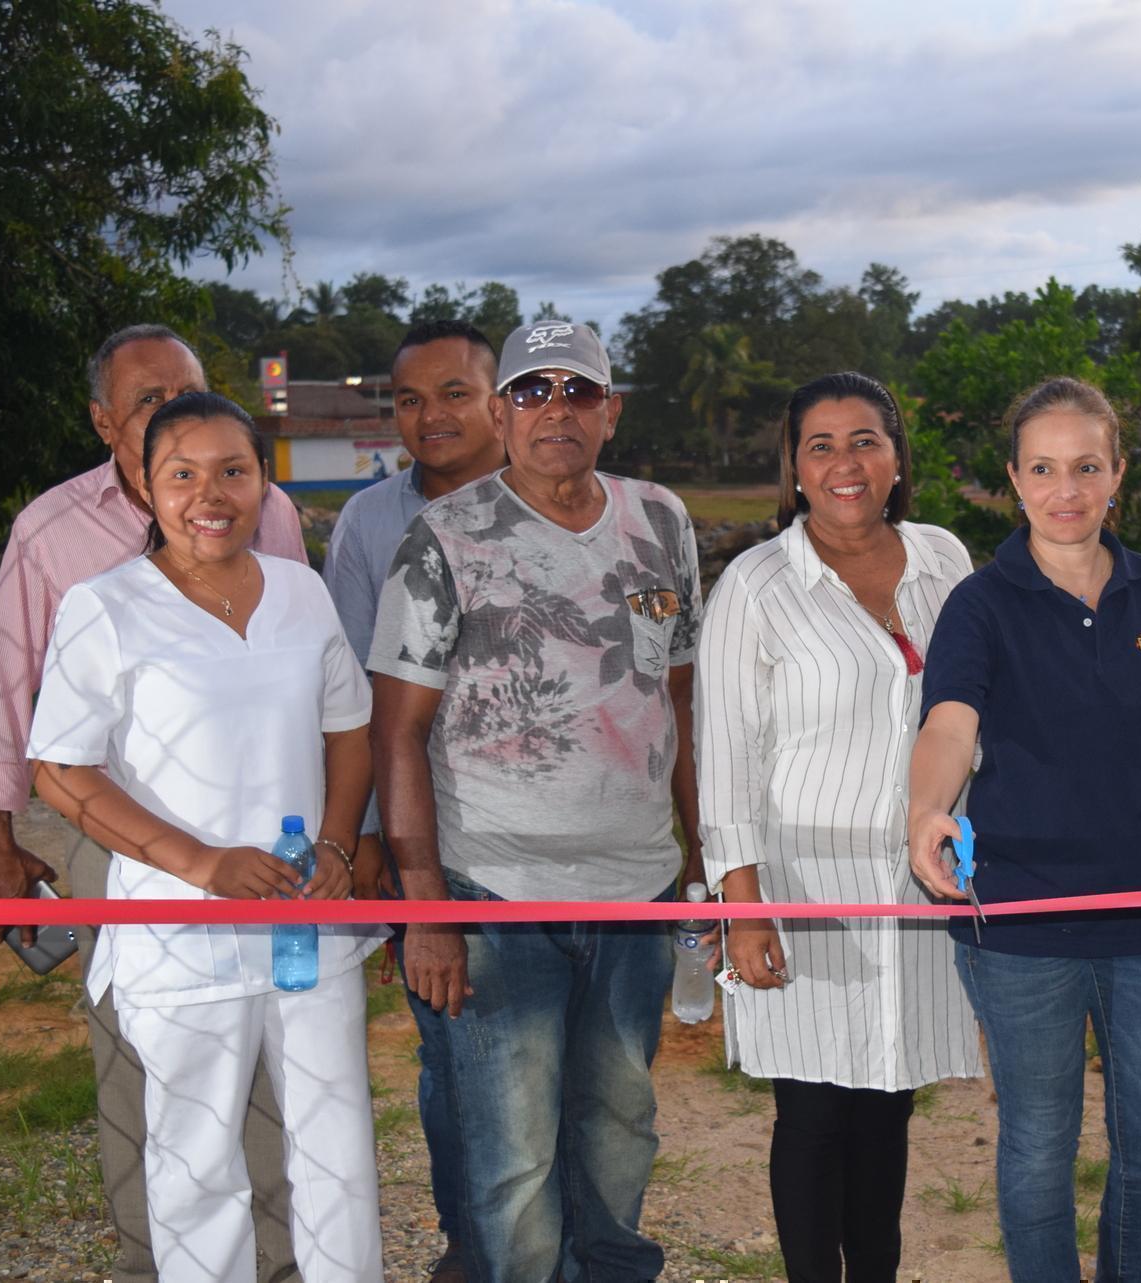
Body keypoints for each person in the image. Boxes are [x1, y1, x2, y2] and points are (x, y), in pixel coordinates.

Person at [0, 325, 305, 1282]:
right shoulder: (52, 529)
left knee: (270, 1057)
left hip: (254, 828)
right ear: (105, 421)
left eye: (188, 393)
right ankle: (158, 1260)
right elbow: (3, 688)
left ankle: (274, 1264)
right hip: (111, 836)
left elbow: (307, 668)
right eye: (147, 403)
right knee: (148, 1064)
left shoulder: (266, 510)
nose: (173, 416)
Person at [370, 319, 703, 1282]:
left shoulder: (663, 521)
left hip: (634, 893)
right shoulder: (444, 537)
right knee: (512, 1161)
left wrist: (701, 860)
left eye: (578, 392)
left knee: (619, 1131)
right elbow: (396, 731)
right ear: (502, 413)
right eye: (530, 392)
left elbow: (678, 701)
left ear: (612, 411)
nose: (555, 411)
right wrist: (423, 905)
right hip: (493, 894)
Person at [27, 392, 382, 1282]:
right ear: (145, 486)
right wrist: (201, 863)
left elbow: (349, 728)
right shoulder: (104, 607)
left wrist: (338, 846)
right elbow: (61, 770)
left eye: (234, 470)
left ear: (265, 482)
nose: (209, 493)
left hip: (307, 931)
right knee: (195, 1160)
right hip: (178, 938)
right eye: (182, 473)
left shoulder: (301, 592)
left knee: (337, 1149)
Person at [906, 376, 1141, 1283]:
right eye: (1045, 469)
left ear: (1116, 474)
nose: (1067, 490)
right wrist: (926, 808)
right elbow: (948, 722)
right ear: (1015, 481)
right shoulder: (981, 603)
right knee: (1037, 1147)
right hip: (1023, 928)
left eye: (1086, 467)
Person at [698, 371, 983, 1282]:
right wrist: (742, 903)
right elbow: (727, 750)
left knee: (888, 1105)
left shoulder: (947, 561)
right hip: (802, 886)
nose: (844, 463)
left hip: (921, 882)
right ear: (794, 469)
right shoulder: (757, 584)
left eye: (864, 440)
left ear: (897, 457)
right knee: (815, 1110)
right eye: (819, 446)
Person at [321, 318, 507, 1283]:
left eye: (454, 393)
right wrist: (363, 840)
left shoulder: (561, 503)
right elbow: (350, 698)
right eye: (408, 398)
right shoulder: (367, 523)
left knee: (581, 1082)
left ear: (499, 398)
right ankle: (472, 1251)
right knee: (457, 1067)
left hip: (556, 844)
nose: (430, 415)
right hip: (420, 837)